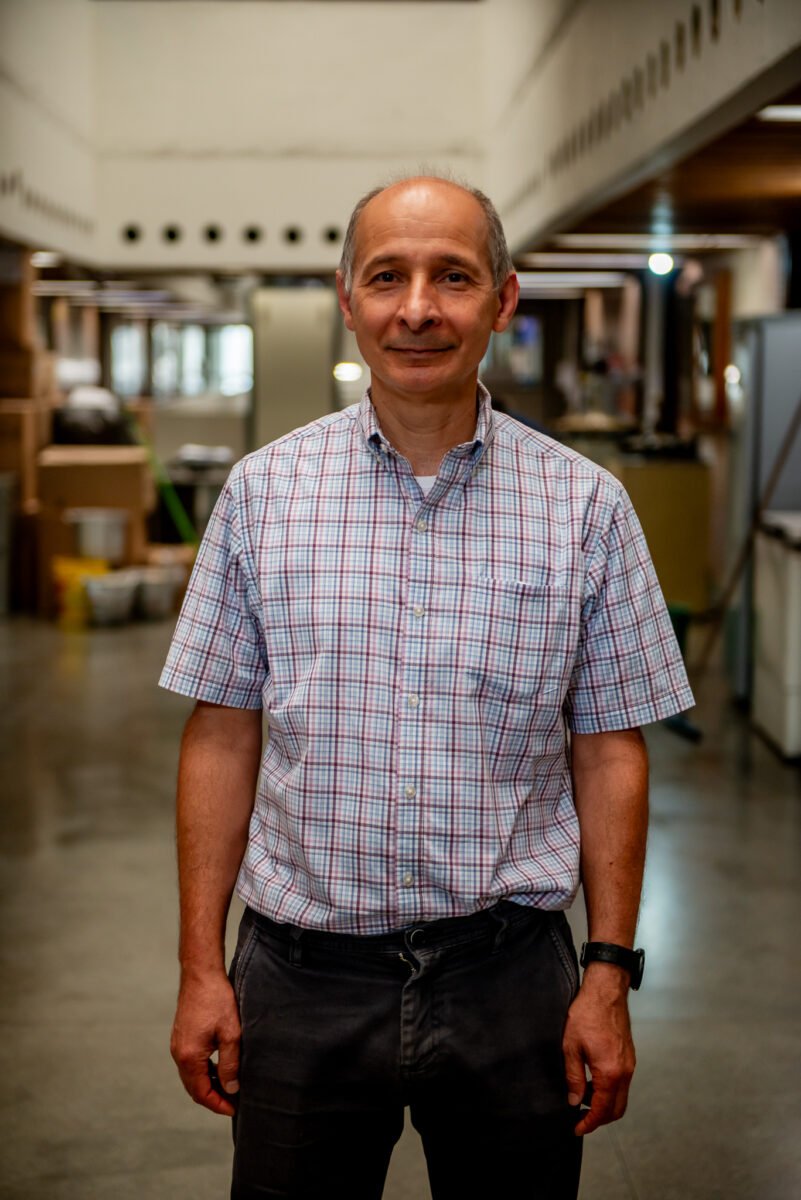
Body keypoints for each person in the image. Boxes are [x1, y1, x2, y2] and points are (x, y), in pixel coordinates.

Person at [161, 175, 693, 1200]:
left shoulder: (586, 507)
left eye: (452, 276)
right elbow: (221, 733)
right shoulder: (264, 494)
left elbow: (609, 748)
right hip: (301, 980)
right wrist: (199, 968)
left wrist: (607, 972)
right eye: (386, 277)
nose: (417, 308)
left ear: (502, 299)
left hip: (511, 982)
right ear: (346, 299)